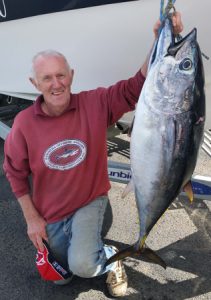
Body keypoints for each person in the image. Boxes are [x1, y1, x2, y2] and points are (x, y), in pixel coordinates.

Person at [3, 12, 183, 297]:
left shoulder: (94, 104)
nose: (56, 84)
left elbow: (134, 87)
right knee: (59, 276)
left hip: (89, 201)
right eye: (46, 78)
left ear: (71, 76)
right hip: (50, 210)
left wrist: (159, 41)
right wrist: (32, 219)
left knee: (84, 265)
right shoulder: (24, 123)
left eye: (61, 75)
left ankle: (112, 260)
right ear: (34, 83)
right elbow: (14, 171)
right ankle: (85, 248)